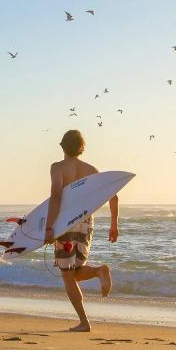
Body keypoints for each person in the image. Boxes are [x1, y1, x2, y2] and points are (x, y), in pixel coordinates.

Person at [44, 129, 118, 332]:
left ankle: (84, 322)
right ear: (81, 148)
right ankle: (98, 271)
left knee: (67, 275)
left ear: (62, 146)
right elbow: (114, 196)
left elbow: (56, 196)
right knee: (74, 273)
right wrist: (114, 225)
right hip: (86, 223)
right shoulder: (91, 169)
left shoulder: (57, 167)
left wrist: (49, 227)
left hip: (65, 223)